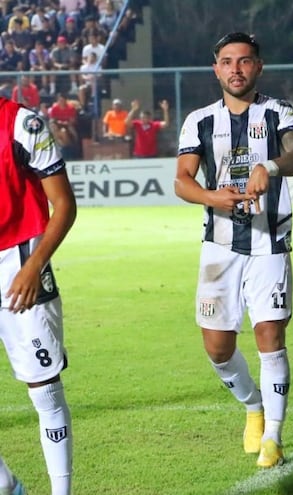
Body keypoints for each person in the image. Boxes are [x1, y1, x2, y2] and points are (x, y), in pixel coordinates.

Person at [174, 32, 293, 468]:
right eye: (228, 61)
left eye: (245, 61)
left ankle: (272, 437)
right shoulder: (199, 120)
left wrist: (268, 166)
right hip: (220, 248)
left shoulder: (278, 112)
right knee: (217, 347)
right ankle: (253, 407)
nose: (236, 69)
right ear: (216, 69)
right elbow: (182, 180)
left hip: (270, 244)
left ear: (258, 67)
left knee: (270, 335)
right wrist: (211, 197)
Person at [0, 96, 77, 493]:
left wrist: (34, 266)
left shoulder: (21, 124)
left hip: (19, 263)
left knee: (44, 389)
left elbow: (64, 204)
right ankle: (6, 485)